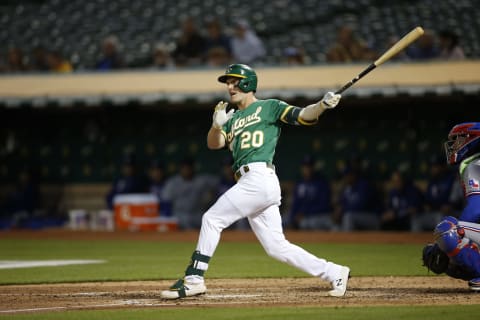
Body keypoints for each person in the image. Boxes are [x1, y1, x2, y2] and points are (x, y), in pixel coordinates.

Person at [160, 63, 350, 299]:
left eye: (234, 81)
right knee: (276, 248)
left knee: (212, 218)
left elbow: (302, 115)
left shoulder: (269, 107)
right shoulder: (232, 118)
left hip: (259, 177)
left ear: (248, 82)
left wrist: (321, 105)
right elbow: (214, 144)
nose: (229, 86)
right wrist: (216, 125)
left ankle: (194, 278)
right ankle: (334, 271)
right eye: (228, 82)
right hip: (252, 182)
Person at [422, 122, 480, 291]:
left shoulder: (475, 164)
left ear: (472, 140)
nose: (453, 146)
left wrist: (442, 245)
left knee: (447, 230)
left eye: (458, 140)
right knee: (450, 259)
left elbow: (476, 209)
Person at [161, 157, 218, 229]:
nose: (186, 170)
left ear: (193, 168)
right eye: (184, 168)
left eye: (188, 168)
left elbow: (219, 184)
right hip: (179, 215)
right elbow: (166, 202)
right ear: (180, 169)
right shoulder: (172, 183)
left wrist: (211, 193)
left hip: (197, 214)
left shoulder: (202, 180)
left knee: (210, 222)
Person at [287, 155, 335, 230]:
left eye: (309, 166)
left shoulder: (321, 183)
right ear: (302, 168)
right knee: (284, 220)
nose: (307, 169)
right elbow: (295, 203)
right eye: (305, 166)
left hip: (318, 215)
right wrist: (293, 216)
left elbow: (324, 205)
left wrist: (304, 213)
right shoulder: (299, 183)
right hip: (302, 216)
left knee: (306, 223)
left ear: (313, 167)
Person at [411, 154, 455, 232]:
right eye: (432, 166)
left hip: (449, 214)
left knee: (440, 217)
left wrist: (449, 205)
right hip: (433, 212)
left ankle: (442, 243)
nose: (432, 169)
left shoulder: (451, 179)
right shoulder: (432, 181)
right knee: (416, 220)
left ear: (443, 167)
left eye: (435, 166)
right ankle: (418, 243)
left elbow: (454, 201)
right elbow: (427, 200)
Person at [333, 165, 380, 231]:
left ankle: (348, 240)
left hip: (372, 217)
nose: (345, 178)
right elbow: (341, 204)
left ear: (353, 175)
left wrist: (343, 210)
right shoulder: (347, 189)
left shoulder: (364, 186)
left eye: (347, 175)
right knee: (335, 227)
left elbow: (361, 206)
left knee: (348, 217)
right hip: (355, 217)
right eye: (345, 176)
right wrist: (337, 212)